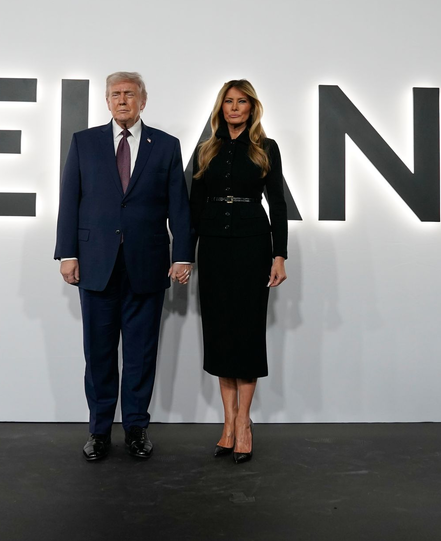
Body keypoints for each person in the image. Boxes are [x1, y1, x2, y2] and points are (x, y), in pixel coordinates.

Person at [55, 72, 194, 462]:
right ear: (106, 100)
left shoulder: (166, 146)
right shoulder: (84, 142)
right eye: (115, 94)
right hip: (96, 264)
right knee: (98, 354)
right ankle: (99, 431)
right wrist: (67, 253)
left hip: (147, 265)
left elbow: (178, 206)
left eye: (129, 94)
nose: (122, 101)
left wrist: (182, 254)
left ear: (142, 101)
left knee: (140, 353)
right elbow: (70, 200)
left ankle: (136, 429)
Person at [190, 79, 288, 464]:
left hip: (252, 245)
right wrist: (185, 254)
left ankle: (244, 424)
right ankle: (227, 424)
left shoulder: (266, 148)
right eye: (228, 102)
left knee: (245, 332)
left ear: (252, 108)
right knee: (218, 332)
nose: (234, 108)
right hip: (213, 245)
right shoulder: (205, 150)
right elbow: (194, 205)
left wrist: (279, 254)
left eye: (241, 102)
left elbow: (277, 203)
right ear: (221, 108)